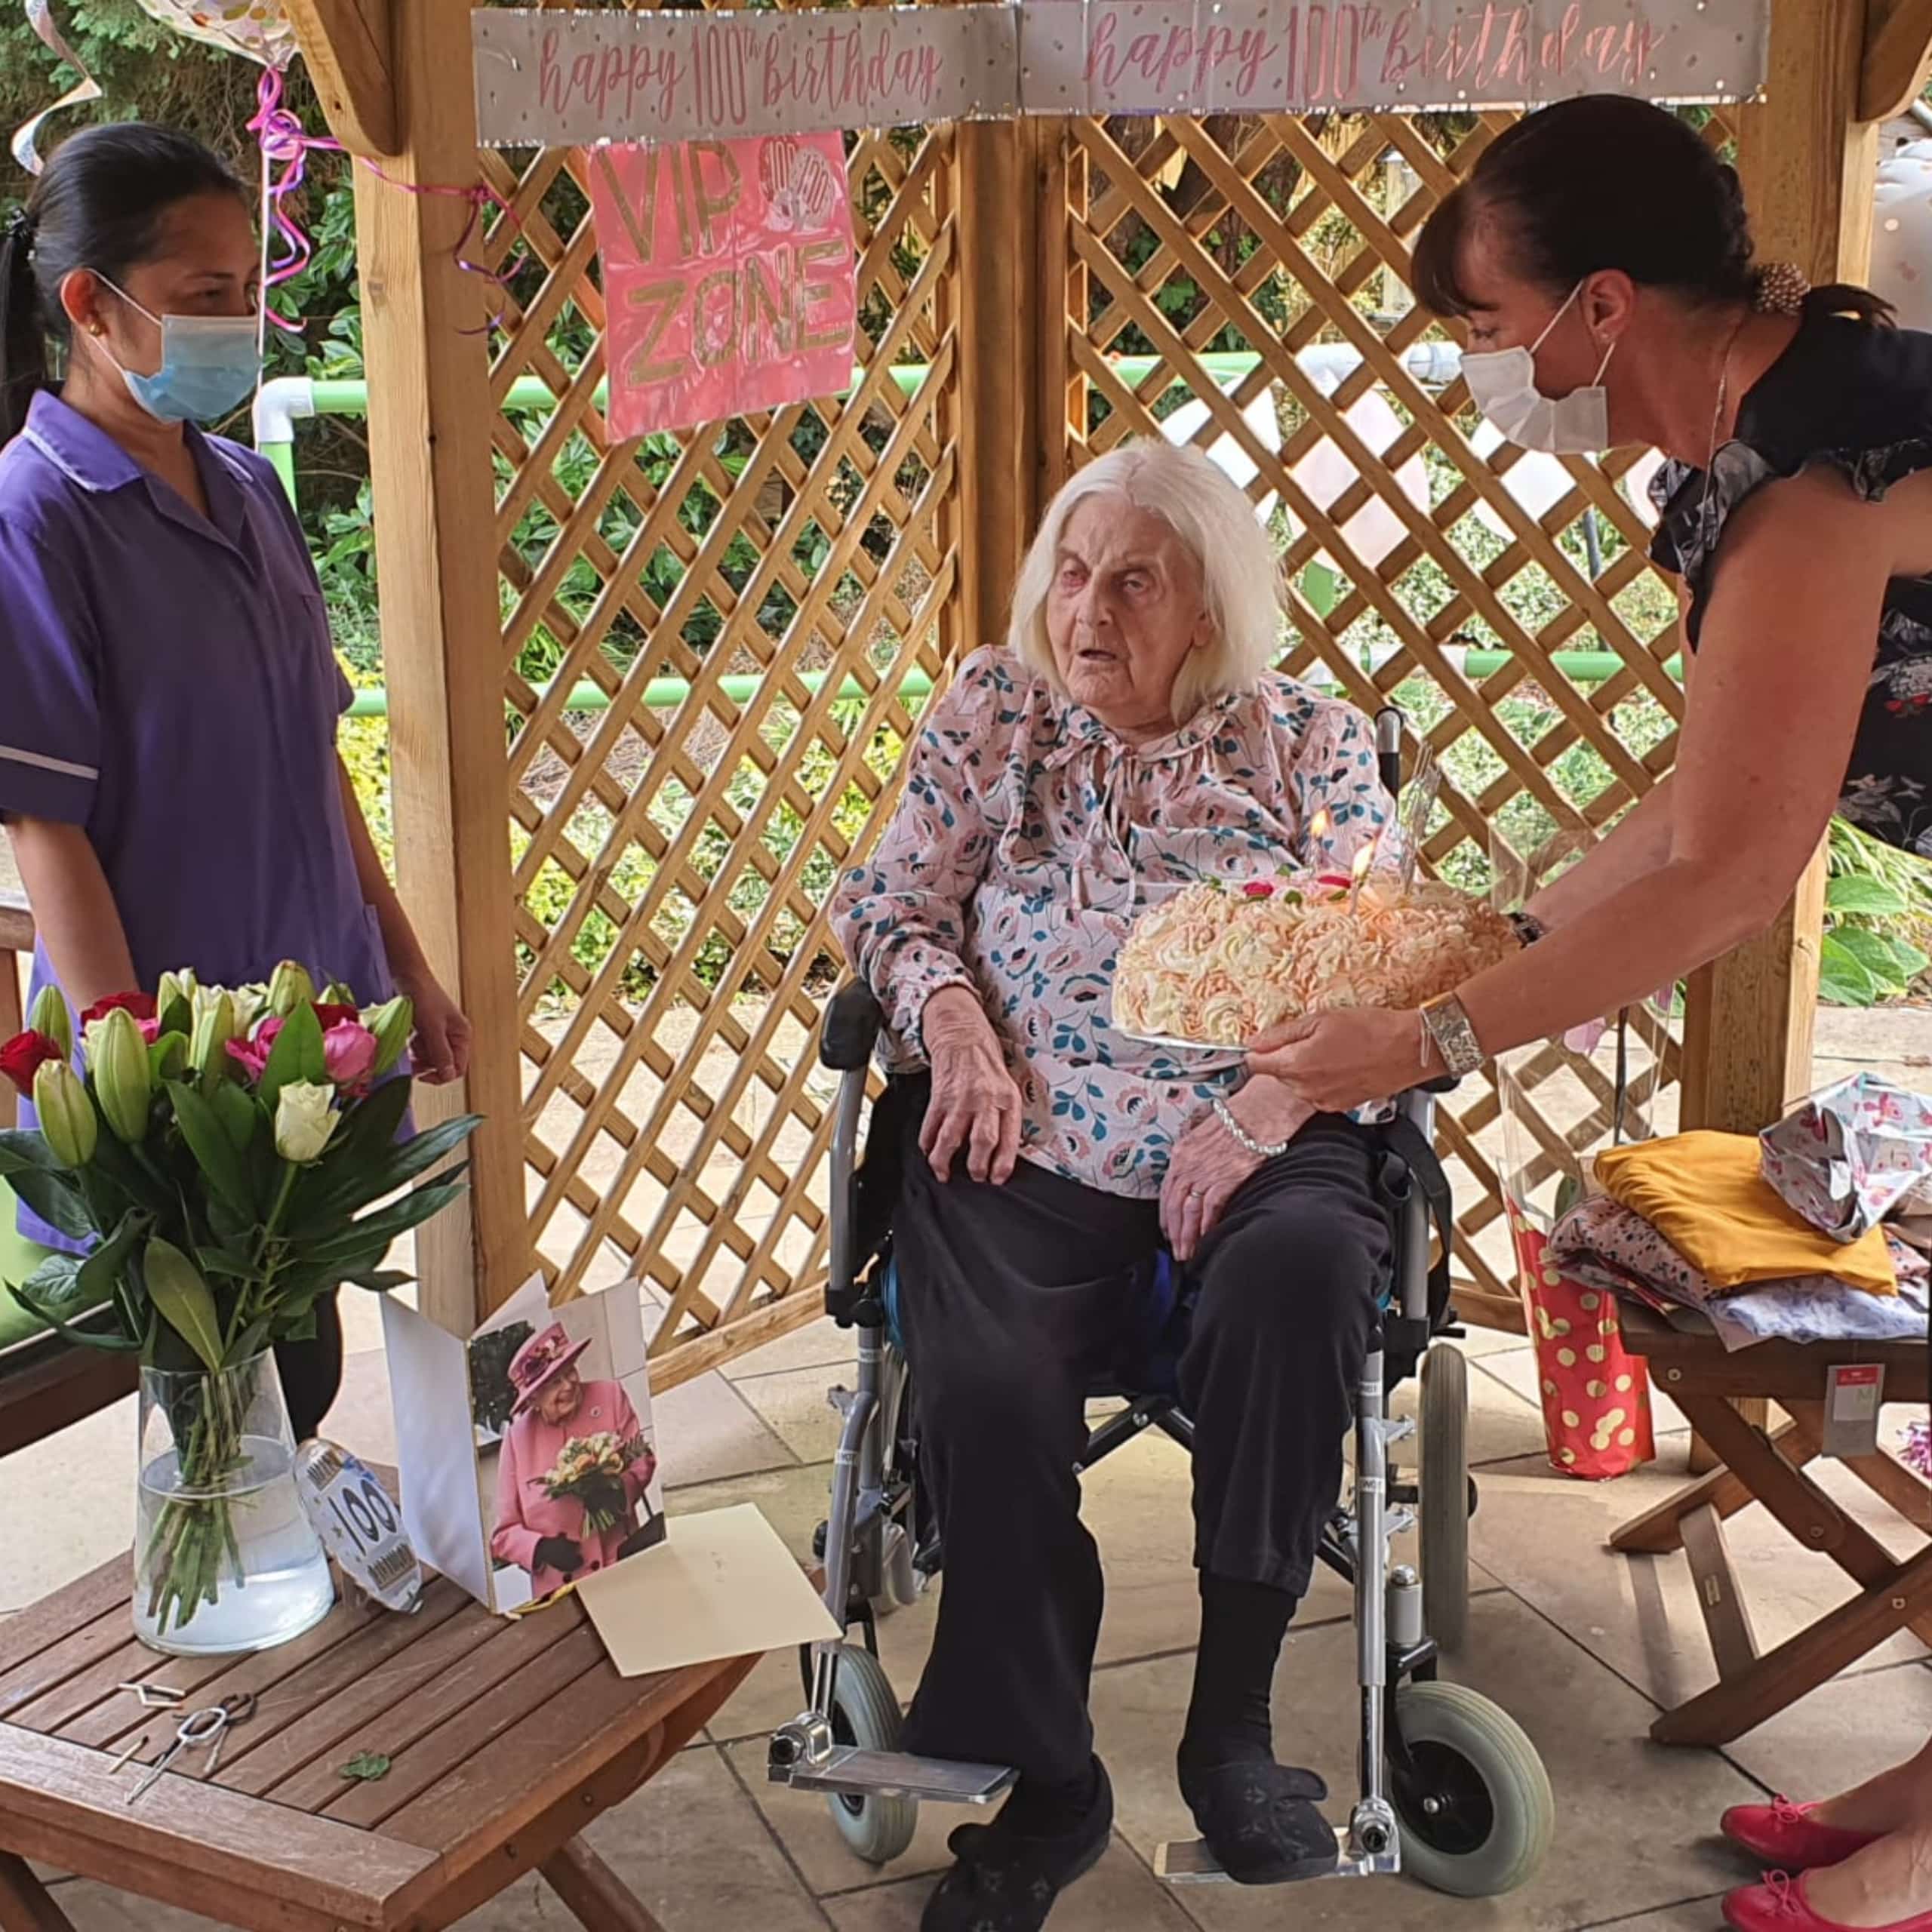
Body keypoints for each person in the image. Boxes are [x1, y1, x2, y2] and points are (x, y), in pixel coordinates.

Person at [1237, 96, 1932, 1932]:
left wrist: (1426, 1040)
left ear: (1599, 305)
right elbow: (1684, 808)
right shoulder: (1754, 439)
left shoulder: (1814, 479)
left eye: (1485, 329)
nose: (1483, 374)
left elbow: (1723, 880)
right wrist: (1487, 935)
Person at [832, 439, 1393, 1932]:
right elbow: (890, 904)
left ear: (1208, 603)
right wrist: (950, 1020)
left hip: (1258, 1131)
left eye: (1133, 581)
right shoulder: (994, 712)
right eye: (1070, 573)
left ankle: (1230, 1728)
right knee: (985, 1369)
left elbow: (1378, 962)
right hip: (1026, 1128)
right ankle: (1049, 1779)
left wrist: (1267, 1103)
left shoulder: (1309, 743)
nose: (1089, 610)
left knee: (1303, 1274)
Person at [0, 124, 471, 1441]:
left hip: (310, 1036)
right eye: (206, 298)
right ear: (92, 307)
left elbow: (313, 757)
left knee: (299, 1366)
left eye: (247, 290)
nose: (241, 324)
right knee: (220, 1403)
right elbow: (52, 837)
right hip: (176, 1067)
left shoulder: (251, 491)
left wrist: (406, 969)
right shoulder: (32, 517)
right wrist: (137, 1096)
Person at [488, 1321, 663, 1600]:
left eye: (569, 1371)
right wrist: (541, 1548)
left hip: (622, 1564)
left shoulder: (609, 1395)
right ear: (533, 1398)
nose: (569, 1384)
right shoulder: (518, 1440)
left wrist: (620, 1491)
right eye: (555, 1382)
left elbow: (642, 1458)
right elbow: (503, 1535)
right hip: (562, 1591)